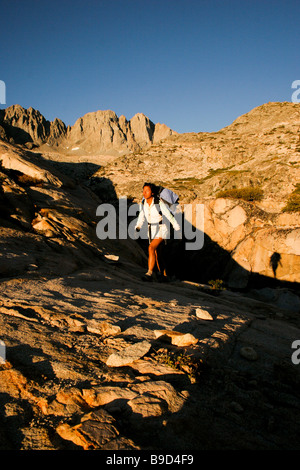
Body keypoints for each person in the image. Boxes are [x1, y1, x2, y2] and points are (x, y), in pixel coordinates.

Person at [135, 182, 180, 281]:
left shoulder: (158, 203)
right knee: (157, 253)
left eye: (147, 191)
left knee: (151, 248)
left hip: (161, 228)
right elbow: (141, 216)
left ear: (152, 193)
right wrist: (138, 226)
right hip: (150, 230)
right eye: (143, 190)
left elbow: (168, 215)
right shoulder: (143, 204)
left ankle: (149, 273)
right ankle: (163, 275)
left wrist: (176, 226)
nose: (144, 192)